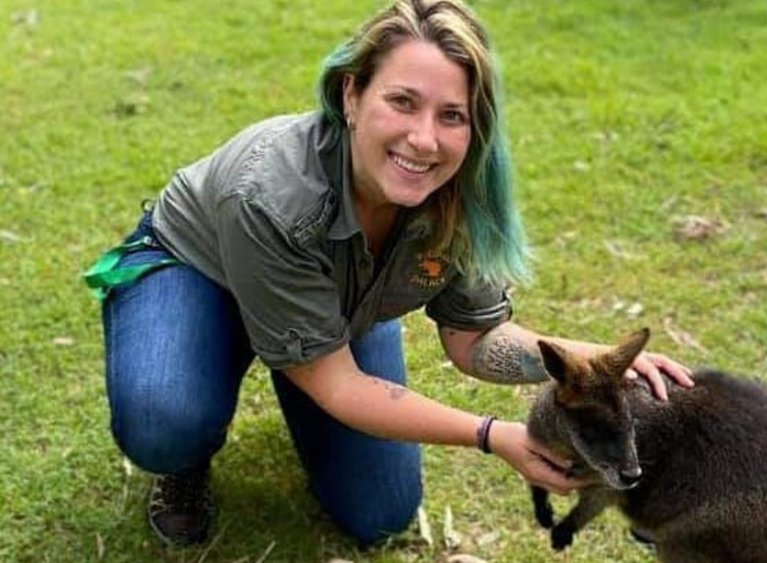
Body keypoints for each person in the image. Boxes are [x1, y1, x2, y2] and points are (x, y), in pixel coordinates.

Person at [86, 0, 694, 548]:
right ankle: (188, 455)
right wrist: (493, 435)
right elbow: (341, 387)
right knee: (165, 419)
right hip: (199, 274)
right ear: (352, 95)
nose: (424, 139)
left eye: (451, 115)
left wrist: (590, 361)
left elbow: (475, 341)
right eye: (402, 101)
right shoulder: (269, 193)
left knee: (381, 513)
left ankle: (299, 354)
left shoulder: (459, 197)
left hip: (334, 306)